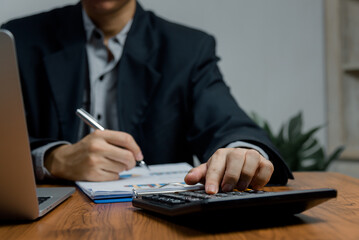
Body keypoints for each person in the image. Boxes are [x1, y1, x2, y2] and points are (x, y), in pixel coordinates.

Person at [2, 0, 293, 194]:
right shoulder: (19, 39)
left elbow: (228, 123)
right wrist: (51, 159)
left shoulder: (188, 49)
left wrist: (240, 154)